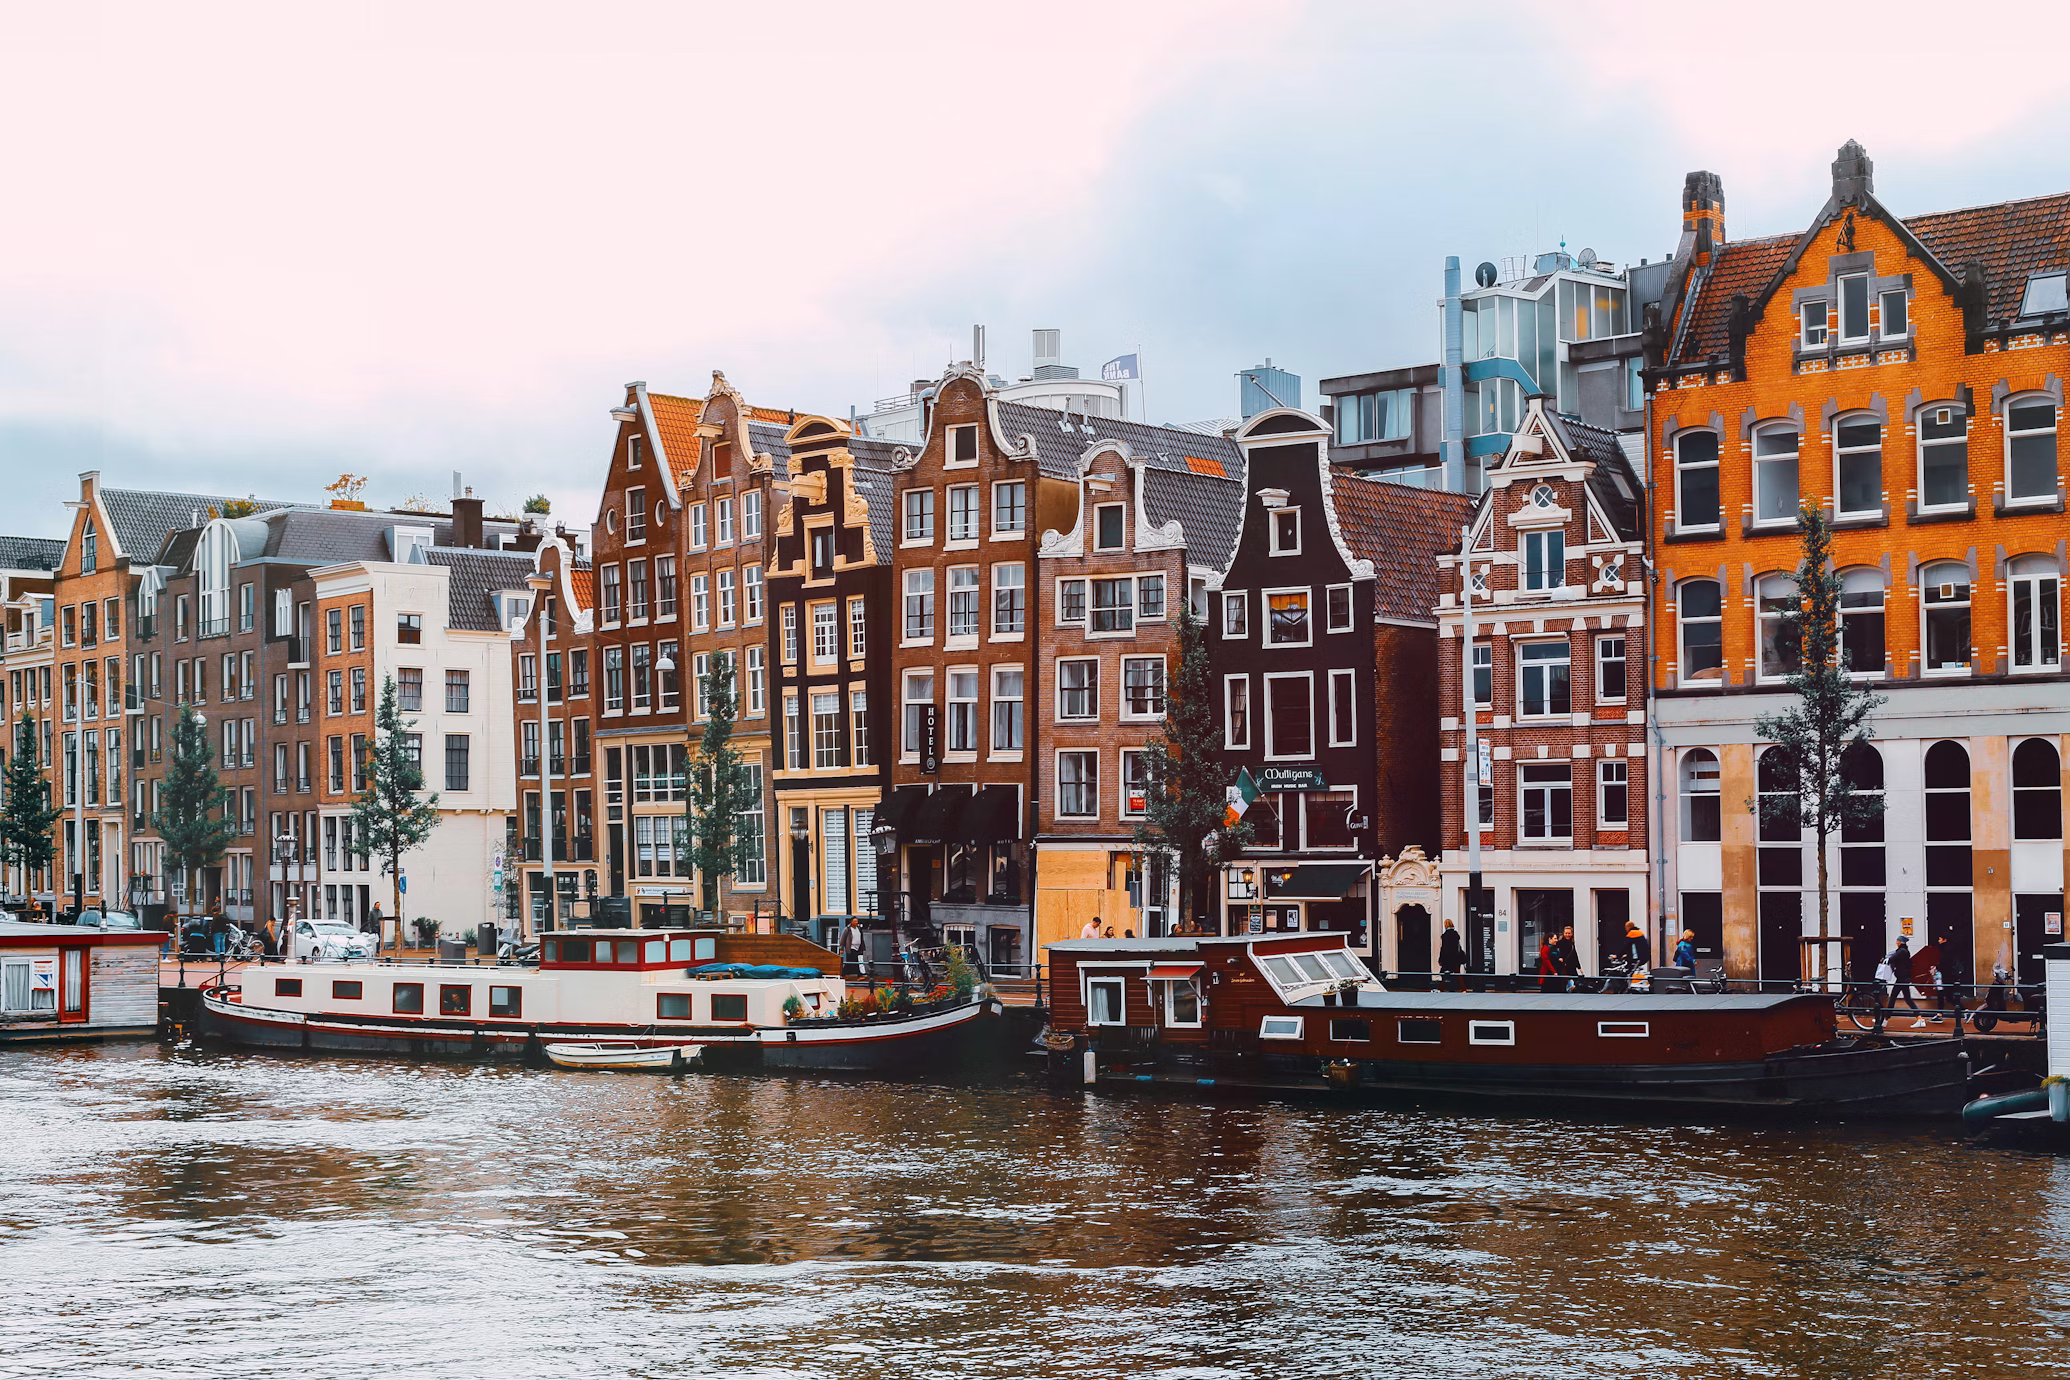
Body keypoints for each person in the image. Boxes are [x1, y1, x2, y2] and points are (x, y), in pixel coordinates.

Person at [1888, 937, 1922, 1017]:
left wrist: (1887, 958)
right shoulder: (1904, 951)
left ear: (1900, 942)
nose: (1896, 942)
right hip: (1903, 978)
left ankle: (1885, 1019)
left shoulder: (1901, 951)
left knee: (1894, 997)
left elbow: (1892, 959)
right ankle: (1919, 1017)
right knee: (1906, 998)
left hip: (1902, 978)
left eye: (1897, 941)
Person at [1438, 918, 1466, 990]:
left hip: (1447, 959)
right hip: (1456, 958)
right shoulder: (1455, 935)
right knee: (1458, 973)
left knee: (1444, 974)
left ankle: (1442, 989)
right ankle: (1463, 989)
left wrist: (1441, 959)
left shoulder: (1445, 936)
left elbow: (1443, 949)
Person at [1553, 925, 1581, 991]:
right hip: (1563, 964)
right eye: (1566, 933)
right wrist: (1559, 958)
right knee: (1566, 979)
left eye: (1569, 933)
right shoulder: (1560, 942)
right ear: (1563, 933)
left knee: (1573, 978)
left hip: (1571, 964)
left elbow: (1574, 954)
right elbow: (1554, 952)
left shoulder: (1572, 942)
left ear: (1572, 934)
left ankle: (1570, 989)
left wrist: (1579, 967)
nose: (1567, 935)